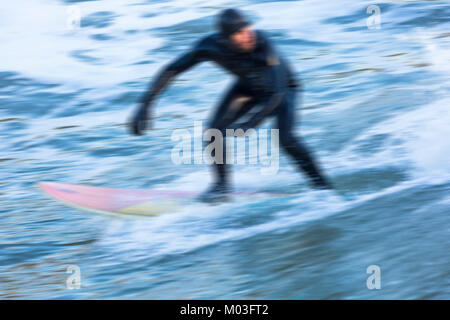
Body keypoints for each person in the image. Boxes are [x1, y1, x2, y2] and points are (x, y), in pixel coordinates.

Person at [130, 8, 333, 201]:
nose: (248, 35)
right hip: (247, 88)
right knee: (213, 131)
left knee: (285, 137)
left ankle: (322, 186)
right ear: (225, 39)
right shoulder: (209, 47)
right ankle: (222, 186)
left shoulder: (263, 45)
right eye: (239, 33)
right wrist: (145, 104)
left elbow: (277, 94)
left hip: (283, 90)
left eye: (247, 28)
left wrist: (249, 124)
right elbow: (172, 70)